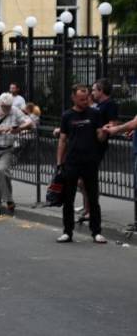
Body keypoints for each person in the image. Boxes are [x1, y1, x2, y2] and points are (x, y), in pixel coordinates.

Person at [57, 84, 108, 244]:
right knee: (68, 198)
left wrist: (103, 133)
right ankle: (67, 232)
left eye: (86, 98)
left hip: (90, 162)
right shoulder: (67, 116)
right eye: (81, 99)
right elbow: (63, 140)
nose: (85, 101)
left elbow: (100, 136)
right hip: (72, 162)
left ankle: (96, 232)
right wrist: (59, 162)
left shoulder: (95, 114)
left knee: (93, 198)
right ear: (73, 98)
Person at [0, 94, 33, 217]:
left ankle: (8, 199)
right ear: (0, 104)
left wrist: (18, 129)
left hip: (7, 149)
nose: (7, 109)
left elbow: (29, 122)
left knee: (3, 170)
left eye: (9, 106)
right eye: (5, 107)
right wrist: (0, 130)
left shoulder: (15, 111)